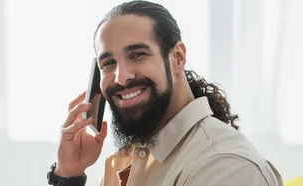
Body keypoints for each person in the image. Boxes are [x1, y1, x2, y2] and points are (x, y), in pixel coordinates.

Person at [46, 1, 283, 186]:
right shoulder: (132, 158)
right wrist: (68, 176)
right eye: (108, 63)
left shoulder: (225, 167)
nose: (121, 77)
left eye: (137, 54)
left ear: (177, 57)